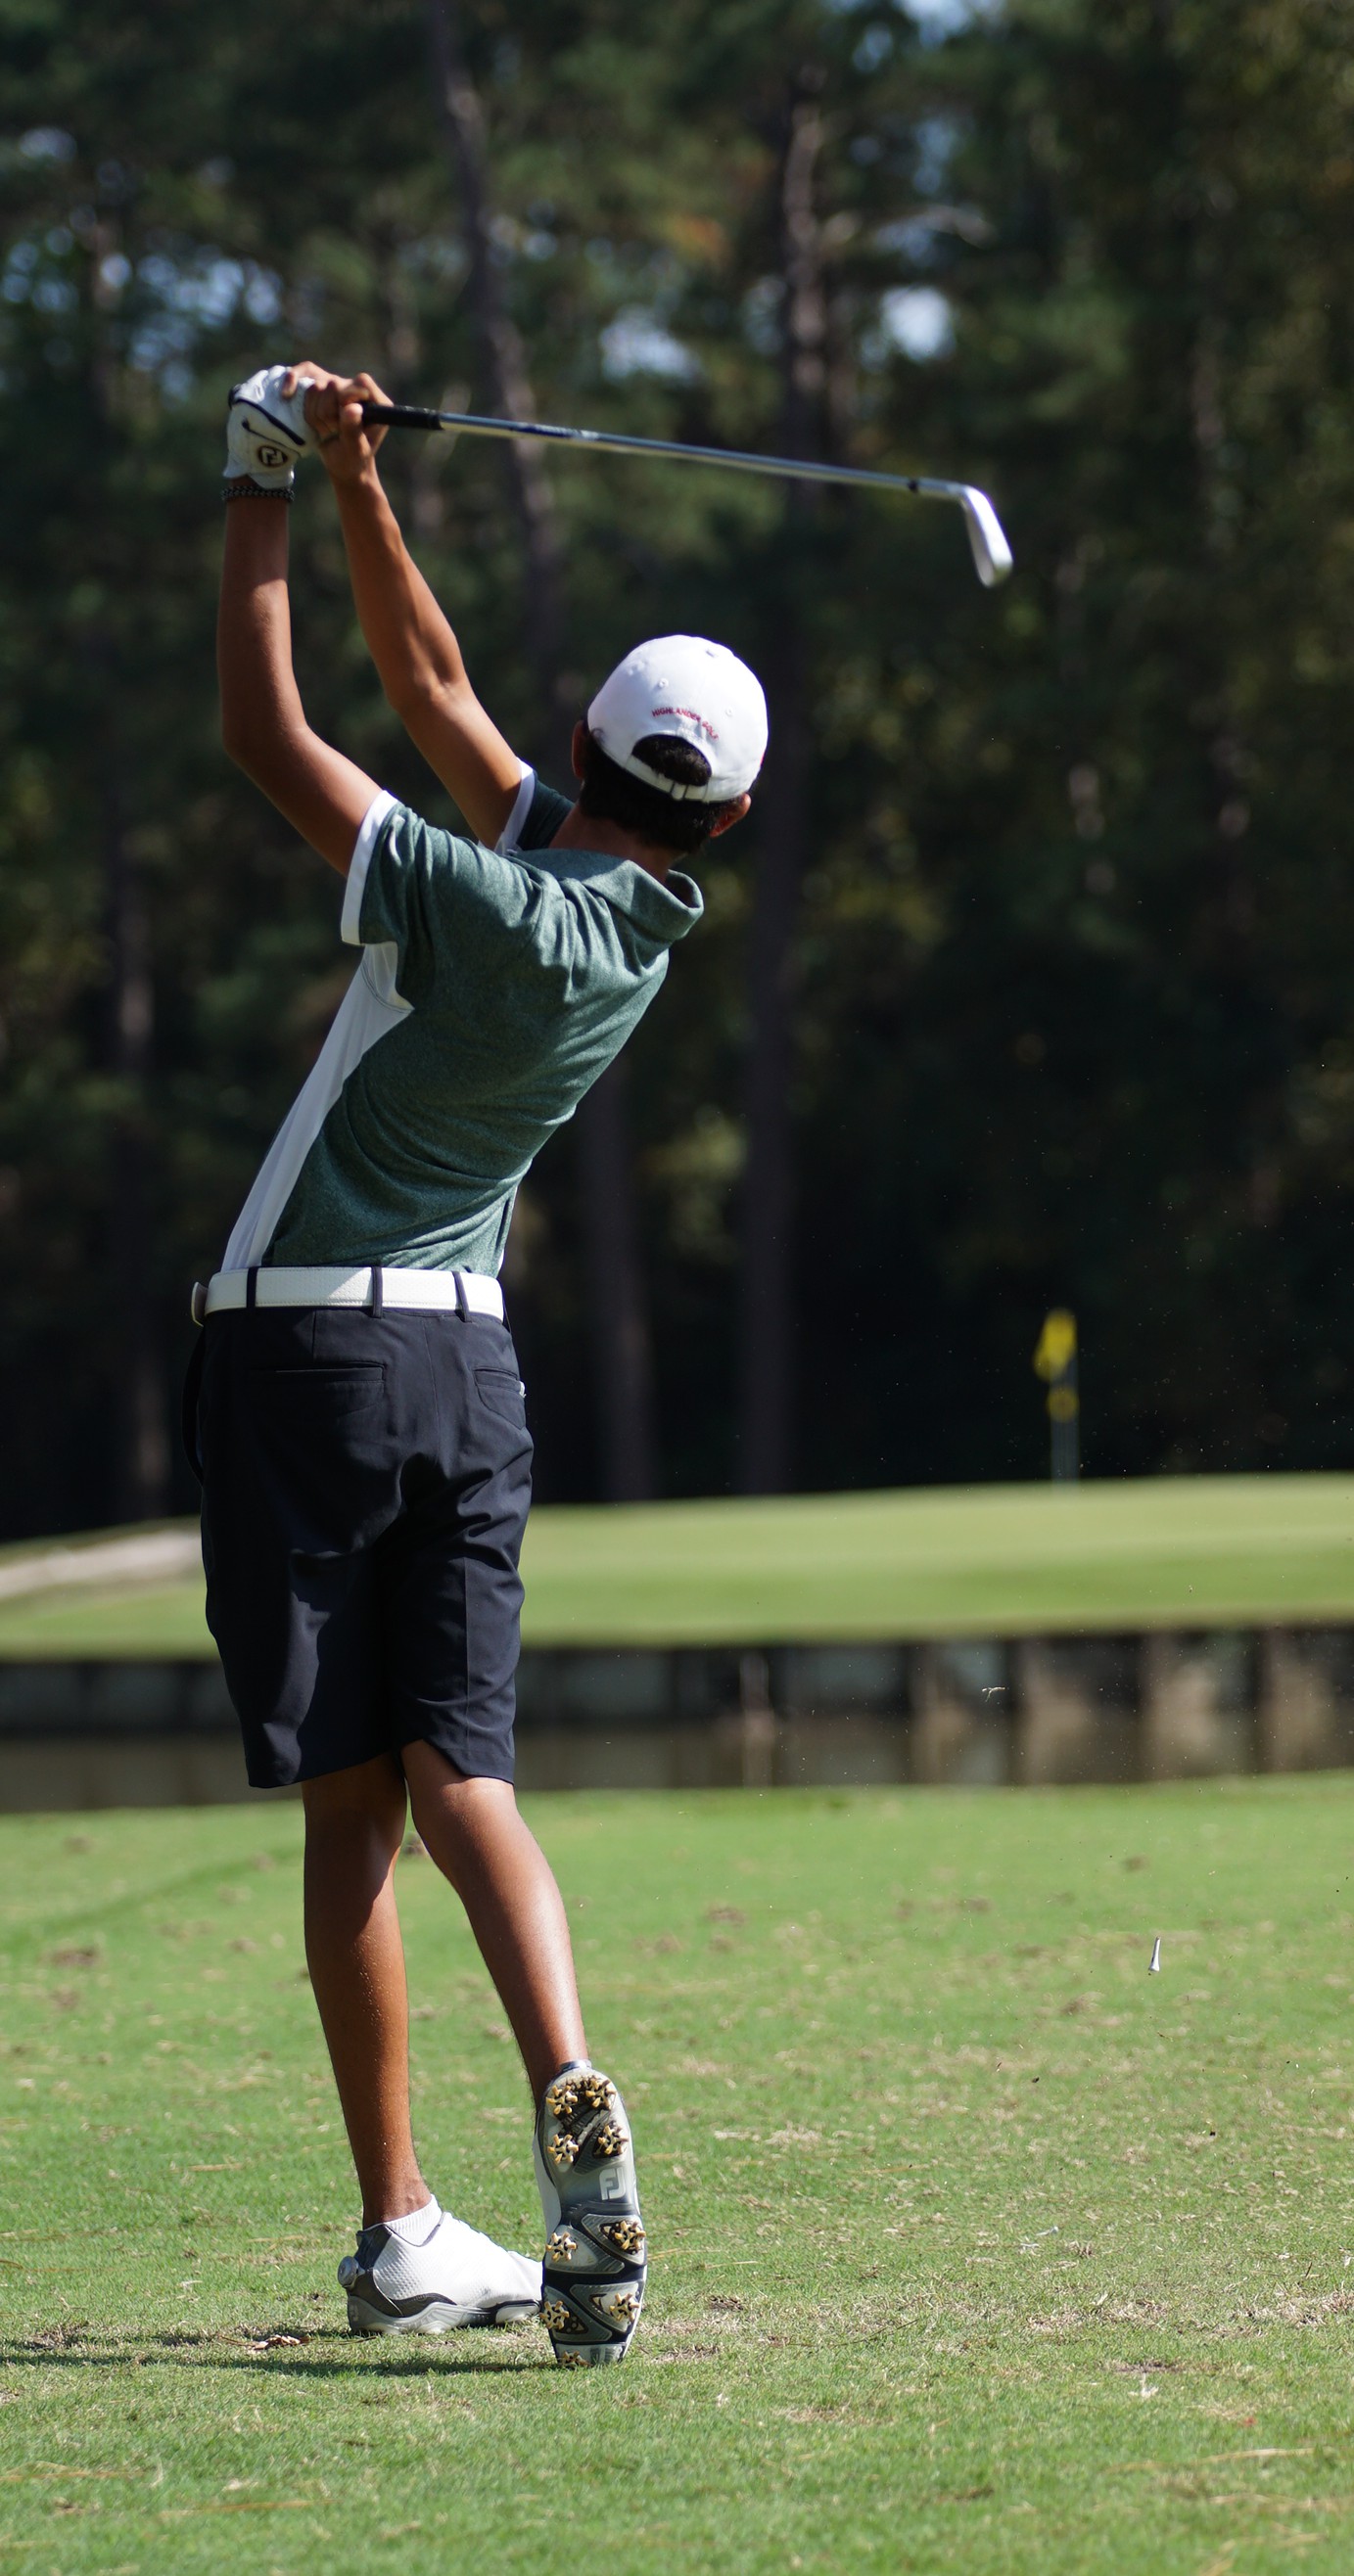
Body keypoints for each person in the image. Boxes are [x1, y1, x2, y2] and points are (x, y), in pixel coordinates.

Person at [187, 364, 768, 2368]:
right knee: (470, 1777)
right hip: (471, 1373)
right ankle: (568, 2085)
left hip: (305, 1347)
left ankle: (398, 2223)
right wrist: (354, 474)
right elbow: (430, 684)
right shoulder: (635, 918)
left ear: (584, 744)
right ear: (723, 816)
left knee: (350, 1809)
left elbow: (271, 732)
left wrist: (255, 481)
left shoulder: (475, 892)